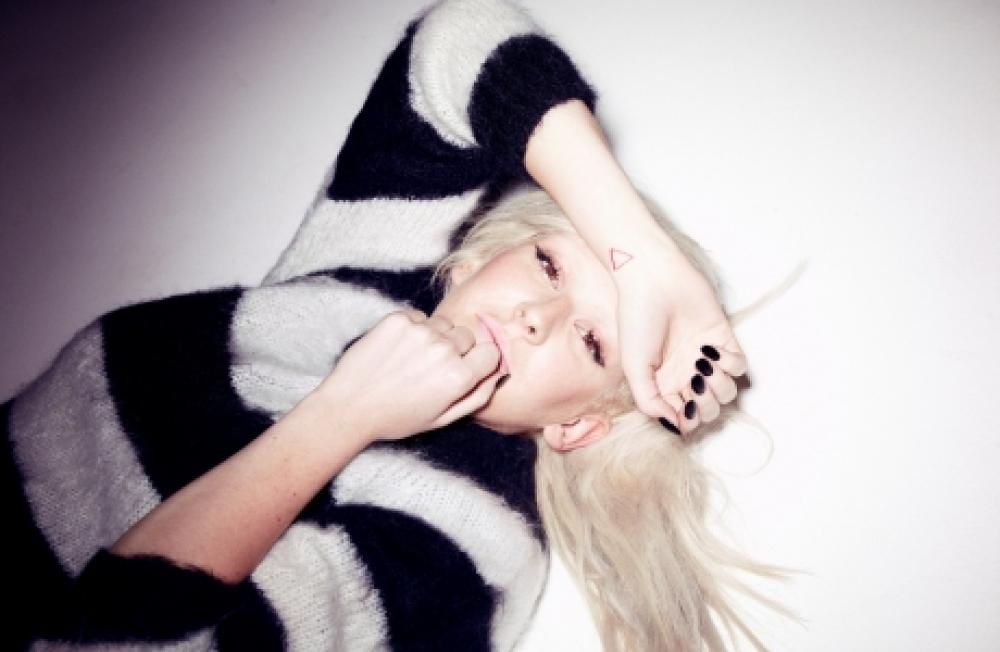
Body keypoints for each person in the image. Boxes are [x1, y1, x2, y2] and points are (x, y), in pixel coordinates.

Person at [3, 0, 778, 650]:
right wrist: (638, 252)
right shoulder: (374, 268)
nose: (535, 317)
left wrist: (344, 414)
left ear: (577, 426)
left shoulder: (472, 545)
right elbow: (457, 39)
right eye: (547, 265)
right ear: (476, 265)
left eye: (593, 341)